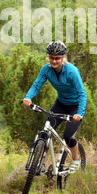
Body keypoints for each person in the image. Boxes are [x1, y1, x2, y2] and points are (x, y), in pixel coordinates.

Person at [23, 40, 87, 172]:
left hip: (75, 107)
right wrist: (28, 97)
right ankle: (38, 164)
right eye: (51, 57)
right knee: (45, 132)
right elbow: (37, 84)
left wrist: (79, 113)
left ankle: (76, 159)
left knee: (68, 136)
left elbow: (82, 93)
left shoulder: (72, 71)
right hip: (60, 104)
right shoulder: (46, 69)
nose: (54, 61)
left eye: (57, 58)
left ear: (63, 58)